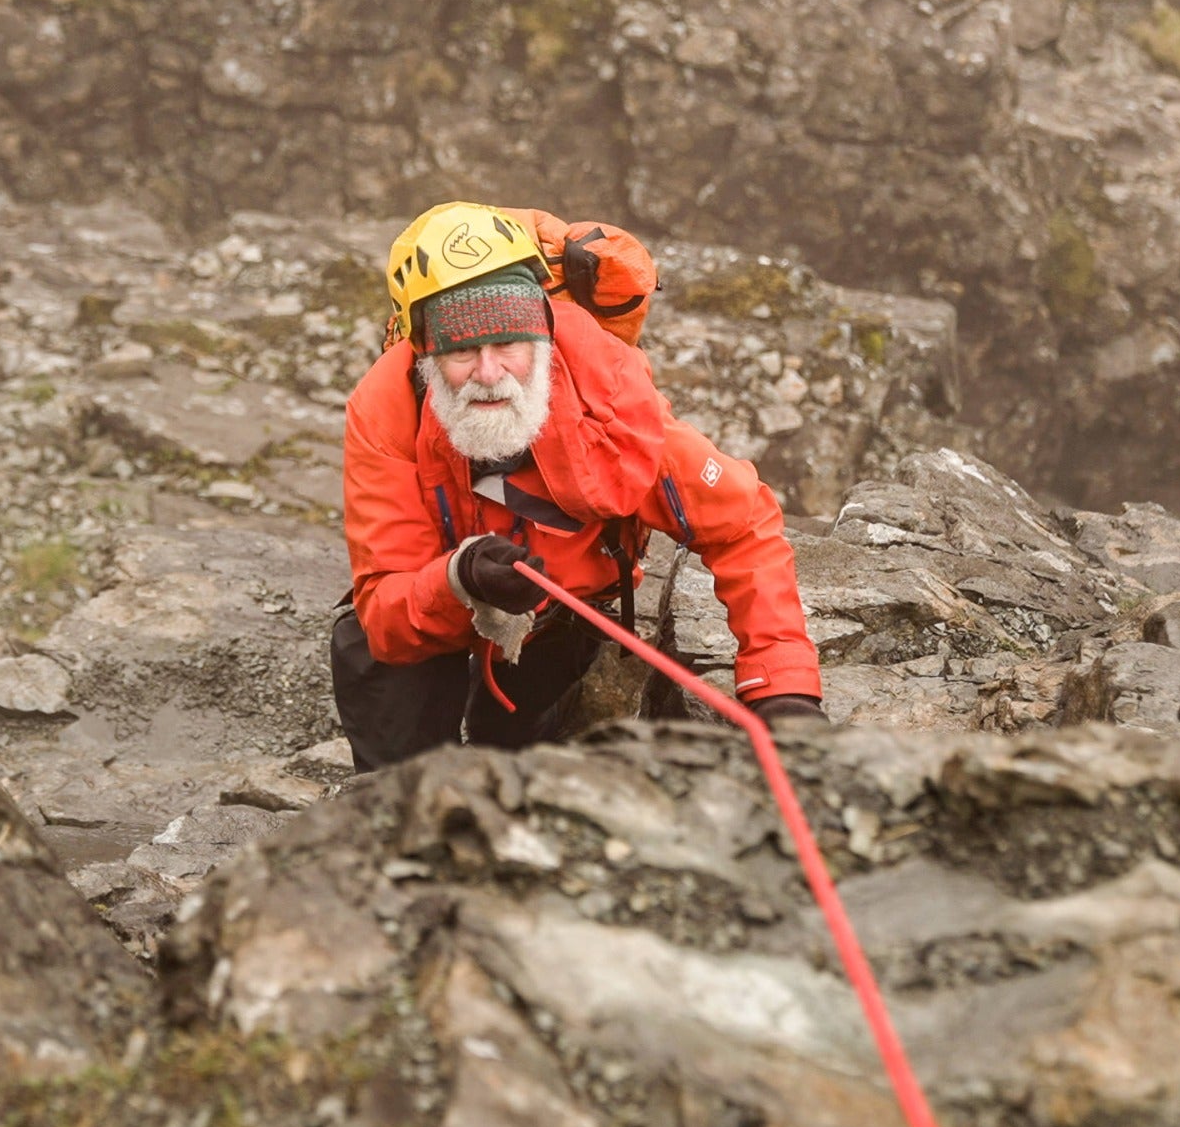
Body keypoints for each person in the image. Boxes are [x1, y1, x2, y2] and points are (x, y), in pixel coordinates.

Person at [331, 200, 823, 772]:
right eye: (462, 349)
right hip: (443, 606)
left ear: (541, 332)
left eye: (508, 344)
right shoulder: (386, 408)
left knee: (517, 760)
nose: (490, 374)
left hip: (560, 618)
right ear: (423, 350)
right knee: (373, 670)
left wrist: (783, 689)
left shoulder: (609, 393)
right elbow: (386, 610)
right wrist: (457, 580)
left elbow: (743, 523)